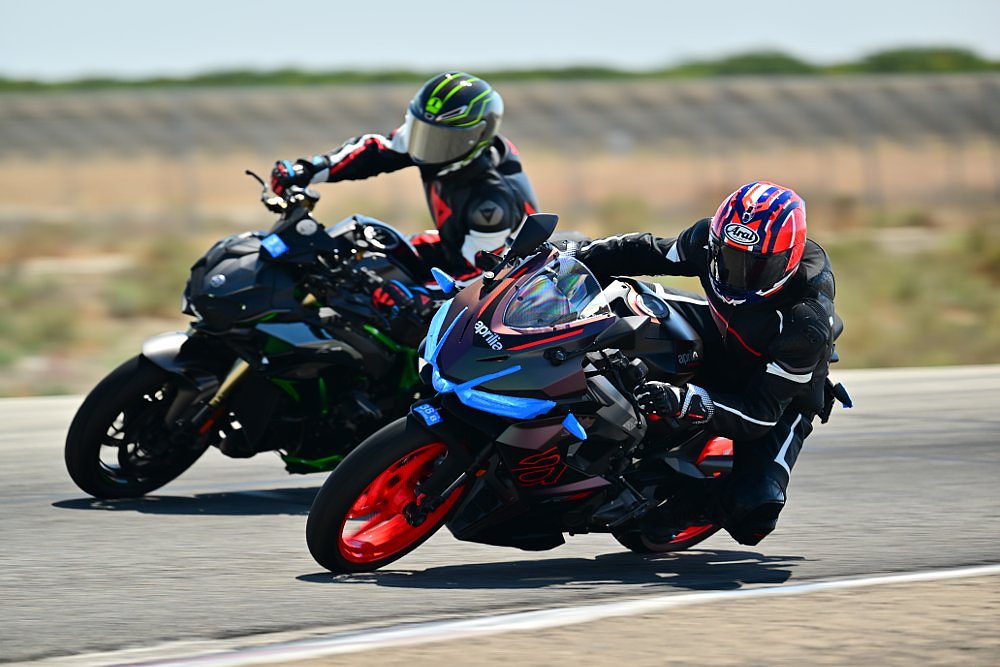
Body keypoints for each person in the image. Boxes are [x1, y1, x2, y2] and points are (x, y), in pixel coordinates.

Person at [576, 181, 842, 546]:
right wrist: (573, 253)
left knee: (754, 512)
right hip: (722, 332)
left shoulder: (805, 321)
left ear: (788, 259)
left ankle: (699, 503)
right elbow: (646, 252)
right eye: (729, 258)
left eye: (755, 265)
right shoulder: (706, 240)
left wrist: (687, 400)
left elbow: (760, 414)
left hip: (777, 392)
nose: (737, 273)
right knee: (623, 306)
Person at [270, 71, 540, 282]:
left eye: (440, 139)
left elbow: (479, 279)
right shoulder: (437, 142)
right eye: (423, 132)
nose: (424, 148)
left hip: (501, 280)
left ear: (475, 138)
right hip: (454, 248)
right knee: (361, 247)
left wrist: (403, 294)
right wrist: (308, 169)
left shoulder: (491, 204)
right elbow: (374, 151)